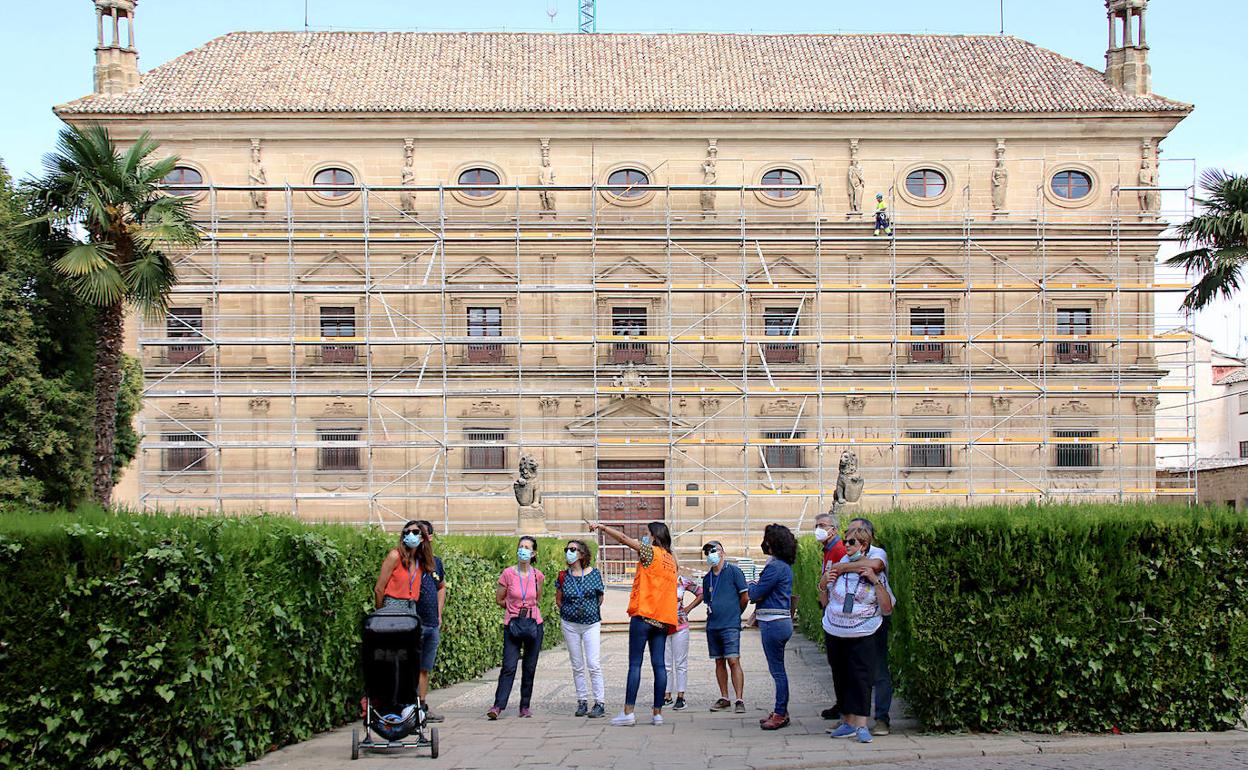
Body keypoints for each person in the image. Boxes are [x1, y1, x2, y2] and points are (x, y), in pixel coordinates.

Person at [586, 519, 678, 727]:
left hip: (644, 615)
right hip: (662, 618)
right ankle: (657, 714)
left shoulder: (650, 552)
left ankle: (628, 712)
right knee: (659, 665)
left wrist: (602, 527)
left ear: (653, 536)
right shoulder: (671, 559)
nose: (644, 536)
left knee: (635, 664)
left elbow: (624, 539)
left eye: (646, 533)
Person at [820, 524, 894, 744]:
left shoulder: (874, 564)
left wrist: (873, 580)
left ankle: (862, 724)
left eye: (851, 542)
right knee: (841, 675)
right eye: (845, 542)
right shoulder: (839, 565)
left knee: (862, 676)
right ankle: (848, 721)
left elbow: (887, 606)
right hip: (835, 628)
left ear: (864, 545)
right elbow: (825, 598)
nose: (846, 546)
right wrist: (823, 585)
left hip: (864, 630)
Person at [487, 536, 545, 720]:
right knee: (509, 666)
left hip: (534, 623)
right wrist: (514, 609)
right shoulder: (507, 574)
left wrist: (527, 610)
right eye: (521, 546)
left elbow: (538, 599)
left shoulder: (538, 575)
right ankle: (498, 706)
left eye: (527, 547)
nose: (523, 550)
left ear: (533, 553)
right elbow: (499, 599)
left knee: (529, 666)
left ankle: (525, 706)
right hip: (513, 624)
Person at [749, 524, 797, 730]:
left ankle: (780, 712)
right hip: (779, 621)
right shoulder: (782, 566)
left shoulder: (775, 567)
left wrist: (751, 584)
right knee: (778, 669)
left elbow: (755, 593)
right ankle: (780, 710)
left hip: (773, 622)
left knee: (777, 671)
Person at [556, 539, 607, 718]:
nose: (569, 552)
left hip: (591, 623)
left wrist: (588, 609)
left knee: (593, 663)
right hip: (570, 624)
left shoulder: (594, 574)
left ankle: (599, 702)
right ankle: (582, 700)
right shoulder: (564, 575)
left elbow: (600, 598)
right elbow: (559, 599)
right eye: (567, 549)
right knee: (577, 664)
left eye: (573, 549)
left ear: (582, 554)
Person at [701, 540, 749, 714]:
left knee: (733, 659)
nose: (710, 554)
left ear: (722, 552)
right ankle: (724, 697)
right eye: (707, 552)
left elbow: (744, 596)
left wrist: (737, 613)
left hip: (730, 624)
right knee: (719, 660)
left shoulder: (734, 571)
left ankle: (739, 698)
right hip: (713, 624)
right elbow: (707, 599)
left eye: (713, 550)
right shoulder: (707, 578)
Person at [412, 520, 446, 723]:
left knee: (425, 667)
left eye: (420, 533)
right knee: (409, 666)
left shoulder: (435, 562)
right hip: (411, 624)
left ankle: (421, 707)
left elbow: (441, 586)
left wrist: (438, 611)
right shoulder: (408, 561)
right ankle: (407, 707)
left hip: (432, 623)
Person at [814, 513, 847, 721]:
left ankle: (844, 705)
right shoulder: (828, 549)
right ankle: (841, 703)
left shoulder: (838, 550)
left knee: (841, 663)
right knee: (835, 663)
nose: (818, 529)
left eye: (822, 525)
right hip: (831, 610)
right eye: (817, 525)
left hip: (838, 611)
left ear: (833, 529)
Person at [663, 572, 703, 710]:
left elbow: (700, 592)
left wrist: (688, 608)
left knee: (680, 662)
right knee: (665, 663)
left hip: (680, 625)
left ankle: (681, 696)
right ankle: (666, 696)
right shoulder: (657, 580)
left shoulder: (681, 580)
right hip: (662, 626)